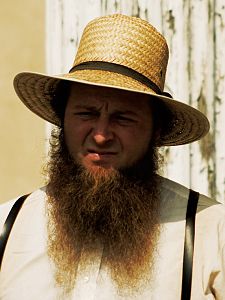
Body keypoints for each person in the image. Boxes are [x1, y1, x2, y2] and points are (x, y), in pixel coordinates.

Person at [0, 13, 224, 300]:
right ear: (62, 119)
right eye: (87, 113)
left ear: (156, 131)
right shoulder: (9, 227)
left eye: (123, 117)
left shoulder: (208, 232)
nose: (101, 135)